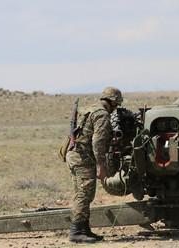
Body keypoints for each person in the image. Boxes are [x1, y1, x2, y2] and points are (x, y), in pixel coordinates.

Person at [65, 87, 123, 243]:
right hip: (83, 158)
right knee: (84, 194)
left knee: (82, 193)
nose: (115, 108)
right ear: (112, 102)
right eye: (116, 105)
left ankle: (84, 230)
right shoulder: (102, 115)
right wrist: (102, 166)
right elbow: (97, 144)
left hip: (74, 155)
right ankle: (76, 232)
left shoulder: (89, 109)